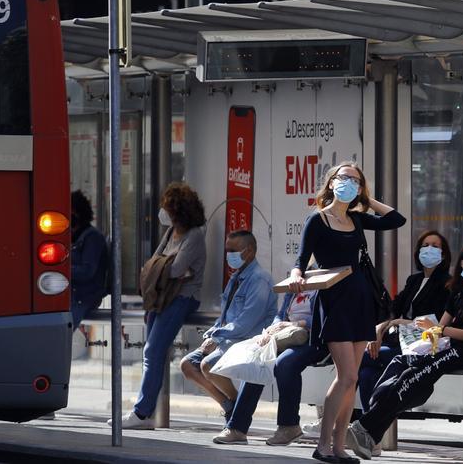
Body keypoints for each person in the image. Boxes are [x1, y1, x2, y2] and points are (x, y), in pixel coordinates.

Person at [285, 161, 405, 463]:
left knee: (350, 380)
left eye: (355, 180)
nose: (349, 183)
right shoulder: (318, 219)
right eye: (344, 178)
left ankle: (338, 447)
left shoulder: (358, 218)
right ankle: (322, 445)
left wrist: (365, 198)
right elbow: (301, 259)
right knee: (347, 374)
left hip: (362, 302)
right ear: (331, 182)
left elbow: (396, 219)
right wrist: (297, 274)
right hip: (335, 303)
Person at [346, 242, 463, 460]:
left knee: (413, 376)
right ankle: (370, 433)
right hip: (445, 346)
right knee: (399, 365)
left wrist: (439, 329)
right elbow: (438, 330)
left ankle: (364, 428)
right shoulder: (457, 290)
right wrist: (429, 331)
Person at [113, 182, 208, 430]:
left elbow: (173, 269)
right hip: (162, 297)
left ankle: (142, 413)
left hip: (183, 298)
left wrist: (165, 268)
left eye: (166, 208)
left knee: (153, 351)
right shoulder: (170, 233)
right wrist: (167, 268)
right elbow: (155, 266)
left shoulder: (194, 234)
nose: (161, 213)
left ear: (178, 210)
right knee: (151, 352)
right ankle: (146, 411)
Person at [356, 231, 452, 428]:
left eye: (435, 245)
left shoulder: (447, 283)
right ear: (418, 251)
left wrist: (399, 322)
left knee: (360, 358)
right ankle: (369, 429)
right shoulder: (414, 280)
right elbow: (394, 309)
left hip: (422, 345)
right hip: (400, 339)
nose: (430, 249)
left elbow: (435, 321)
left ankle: (365, 427)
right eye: (426, 245)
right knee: (366, 373)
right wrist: (384, 327)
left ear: (443, 254)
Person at [212, 287, 327, 446]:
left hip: (313, 339)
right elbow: (280, 315)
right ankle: (237, 428)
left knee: (285, 363)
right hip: (287, 336)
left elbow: (325, 318)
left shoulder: (325, 282)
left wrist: (296, 323)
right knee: (258, 359)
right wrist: (273, 329)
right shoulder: (297, 282)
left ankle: (289, 425)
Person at [181, 230, 277, 415]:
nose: (229, 255)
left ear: (249, 251)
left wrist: (216, 338)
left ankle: (235, 407)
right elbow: (225, 317)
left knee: (207, 365)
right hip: (227, 340)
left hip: (248, 341)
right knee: (187, 365)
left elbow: (246, 324)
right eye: (227, 250)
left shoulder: (259, 279)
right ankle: (230, 404)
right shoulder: (235, 278)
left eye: (233, 250)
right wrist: (212, 333)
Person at [69, 190, 108, 329]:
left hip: (83, 297)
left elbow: (87, 271)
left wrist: (62, 271)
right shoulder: (75, 237)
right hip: (73, 294)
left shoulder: (92, 237)